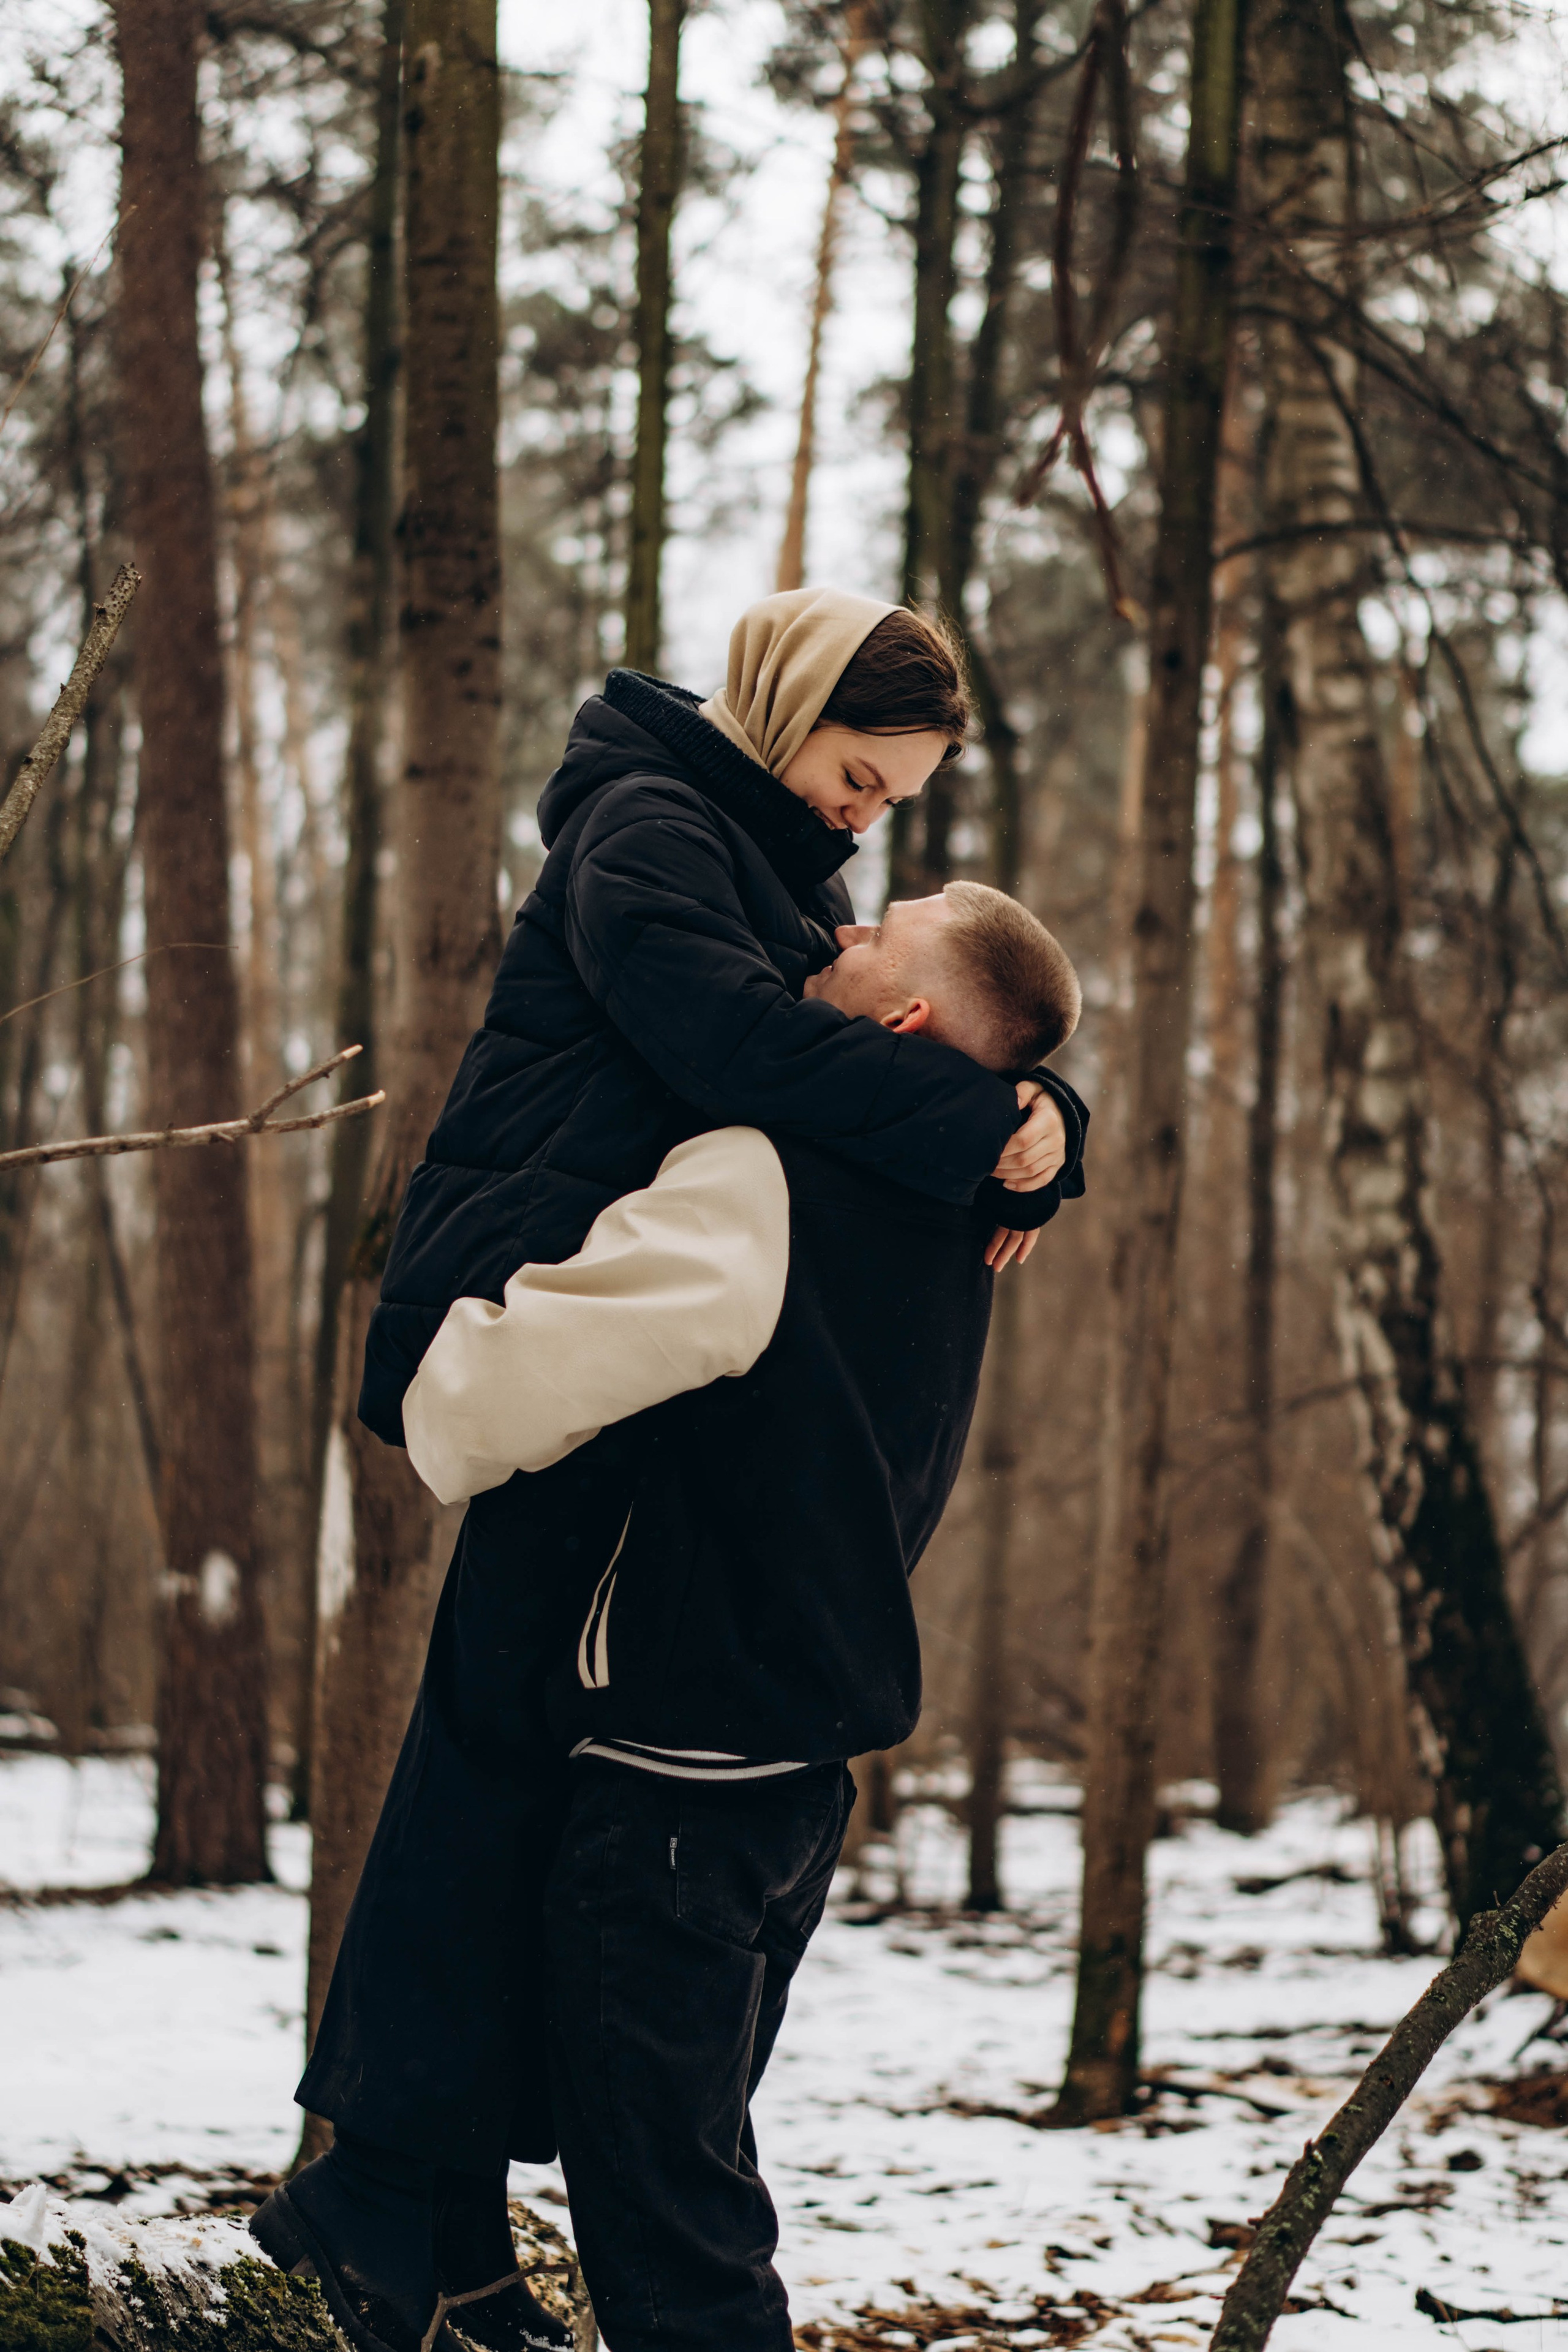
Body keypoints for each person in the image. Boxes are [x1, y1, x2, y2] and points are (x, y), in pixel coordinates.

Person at [254, 599, 1088, 2352]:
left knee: (506, 1802)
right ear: (786, 709)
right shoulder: (648, 828)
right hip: (516, 1304)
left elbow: (911, 1031)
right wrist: (988, 1126)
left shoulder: (781, 878)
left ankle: (433, 2223)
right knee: (477, 1789)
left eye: (893, 802)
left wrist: (1043, 1117)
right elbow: (740, 1057)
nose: (864, 821)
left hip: (644, 1351)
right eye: (858, 774)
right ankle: (381, 2197)